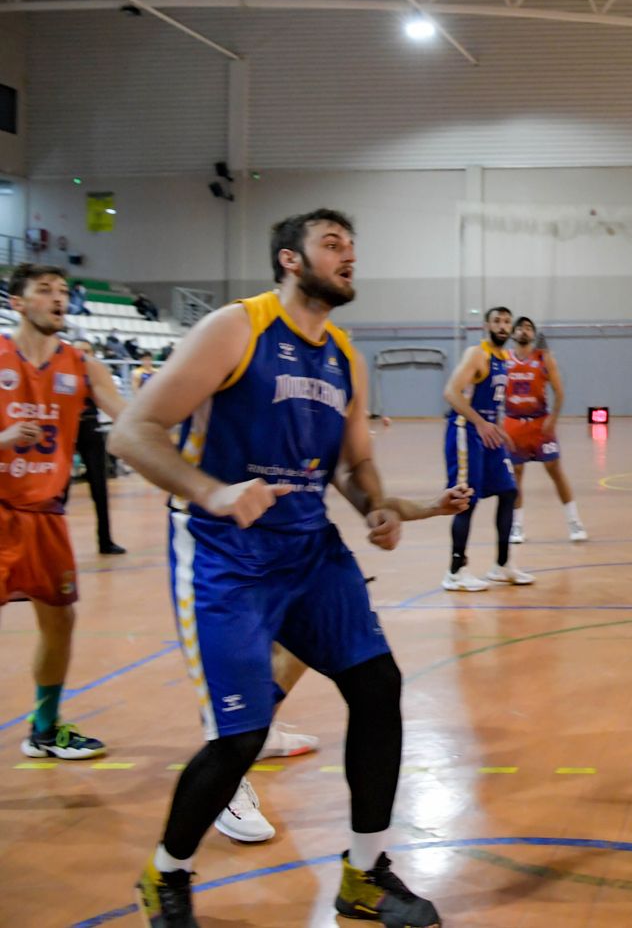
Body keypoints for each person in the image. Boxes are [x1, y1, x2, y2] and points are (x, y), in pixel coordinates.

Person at [109, 208, 465, 927]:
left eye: (353, 245)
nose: (349, 255)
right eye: (332, 244)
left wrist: (377, 507)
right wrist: (212, 491)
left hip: (309, 551)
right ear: (290, 259)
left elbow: (353, 463)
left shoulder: (344, 355)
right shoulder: (236, 329)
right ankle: (165, 874)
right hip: (226, 556)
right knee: (241, 736)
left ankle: (364, 874)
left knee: (377, 688)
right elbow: (132, 432)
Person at [1, 265, 127, 761]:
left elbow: (133, 419)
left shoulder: (82, 364)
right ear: (17, 303)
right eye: (44, 290)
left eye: (62, 291)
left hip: (45, 514)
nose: (58, 298)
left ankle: (44, 729)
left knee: (60, 622)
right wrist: (5, 439)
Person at [441, 308, 527, 589]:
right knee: (466, 498)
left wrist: (499, 429)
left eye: (507, 322)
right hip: (465, 430)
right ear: (486, 326)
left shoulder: (504, 359)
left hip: (487, 432)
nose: (502, 326)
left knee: (509, 491)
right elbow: (451, 392)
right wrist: (480, 423)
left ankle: (501, 565)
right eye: (497, 321)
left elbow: (491, 401)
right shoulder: (477, 354)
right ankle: (455, 571)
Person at [503, 316, 587, 544]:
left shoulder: (544, 358)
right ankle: (517, 526)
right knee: (515, 474)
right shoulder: (504, 359)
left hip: (540, 422)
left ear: (533, 334)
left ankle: (574, 521)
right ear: (513, 333)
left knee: (554, 470)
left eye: (528, 328)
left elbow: (559, 392)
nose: (524, 331)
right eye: (520, 327)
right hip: (513, 422)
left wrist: (554, 419)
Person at [70, 339, 126, 556]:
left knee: (100, 486)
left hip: (91, 427)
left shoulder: (97, 374)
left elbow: (112, 403)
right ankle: (53, 541)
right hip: (67, 429)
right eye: (79, 351)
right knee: (59, 490)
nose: (83, 355)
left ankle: (105, 540)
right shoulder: (62, 372)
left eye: (87, 351)